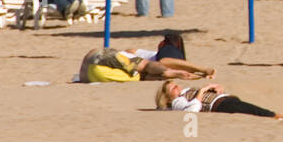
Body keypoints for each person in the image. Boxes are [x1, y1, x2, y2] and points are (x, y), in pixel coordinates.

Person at [77, 46, 215, 83]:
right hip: (97, 66)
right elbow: (147, 66)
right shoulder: (132, 56)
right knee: (144, 68)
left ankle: (172, 73)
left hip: (90, 73)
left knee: (142, 74)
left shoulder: (133, 66)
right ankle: (171, 72)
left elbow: (148, 74)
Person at [156, 80, 281, 118]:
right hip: (222, 105)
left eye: (176, 85)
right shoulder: (177, 101)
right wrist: (202, 91)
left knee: (261, 111)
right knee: (264, 113)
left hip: (226, 100)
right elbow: (193, 110)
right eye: (173, 88)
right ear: (167, 98)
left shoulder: (186, 91)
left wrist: (216, 89)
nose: (177, 87)